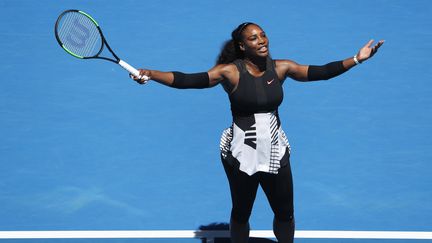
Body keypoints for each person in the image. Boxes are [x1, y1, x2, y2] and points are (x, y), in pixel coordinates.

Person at [131, 22, 384, 243]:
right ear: (242, 46)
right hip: (242, 153)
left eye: (262, 35)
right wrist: (152, 74)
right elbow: (188, 80)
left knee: (285, 212)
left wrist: (357, 58)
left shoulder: (282, 67)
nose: (261, 40)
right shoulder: (229, 72)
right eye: (253, 38)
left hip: (275, 150)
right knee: (241, 212)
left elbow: (321, 72)